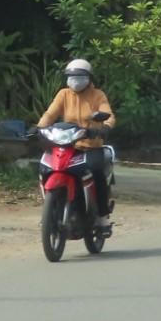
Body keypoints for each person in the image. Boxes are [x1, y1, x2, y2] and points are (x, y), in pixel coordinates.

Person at [38, 59, 116, 230]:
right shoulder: (63, 94)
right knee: (46, 167)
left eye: (80, 76)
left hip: (91, 145)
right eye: (71, 76)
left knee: (96, 171)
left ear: (89, 78)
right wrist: (39, 127)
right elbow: (50, 114)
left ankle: (102, 216)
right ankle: (51, 209)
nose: (75, 79)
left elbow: (108, 115)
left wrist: (104, 127)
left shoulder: (98, 95)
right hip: (67, 145)